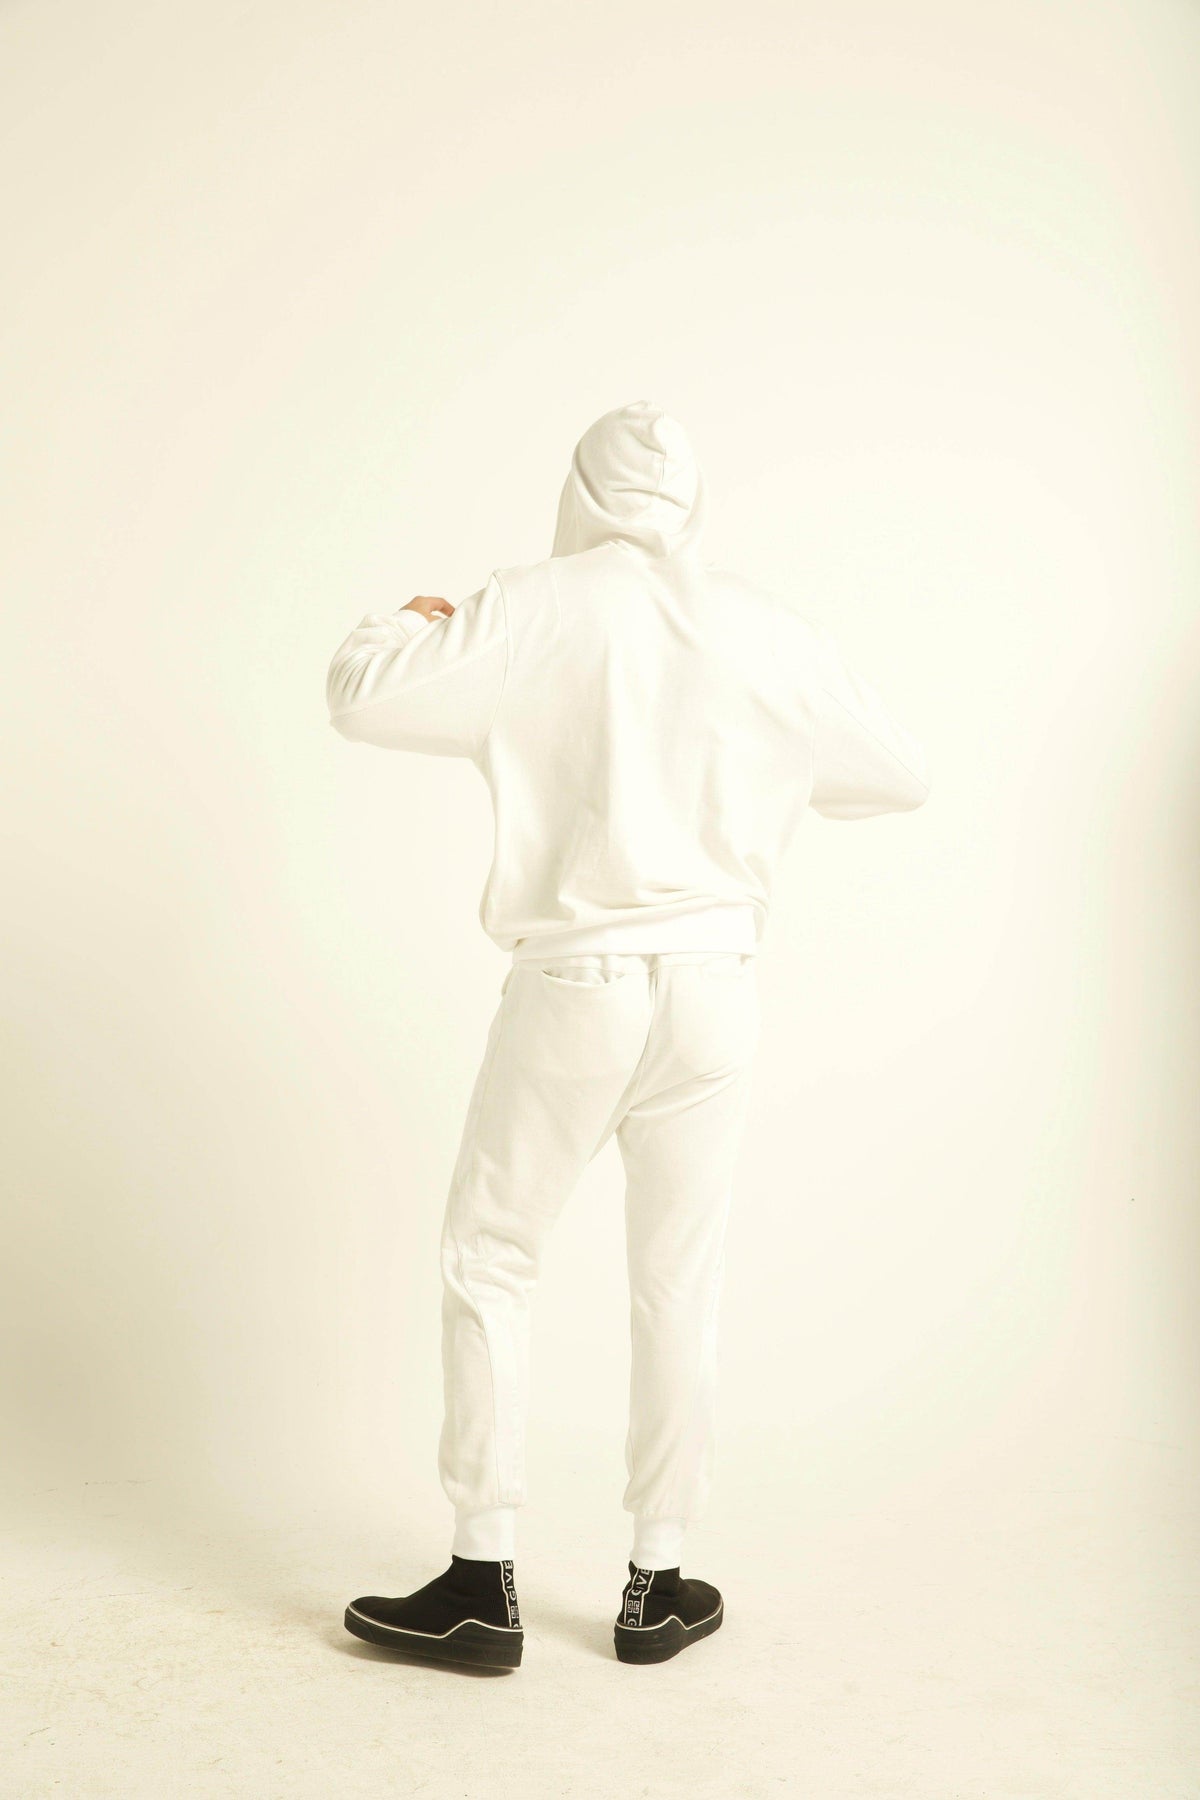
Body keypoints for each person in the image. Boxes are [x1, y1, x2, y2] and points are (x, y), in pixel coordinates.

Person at [325, 399, 930, 1669]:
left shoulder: (530, 606)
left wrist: (410, 622)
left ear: (582, 494)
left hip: (577, 981)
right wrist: (763, 765)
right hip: (716, 988)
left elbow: (361, 699)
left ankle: (482, 1578)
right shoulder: (766, 627)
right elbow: (896, 772)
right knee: (678, 1282)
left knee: (492, 1257)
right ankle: (659, 1581)